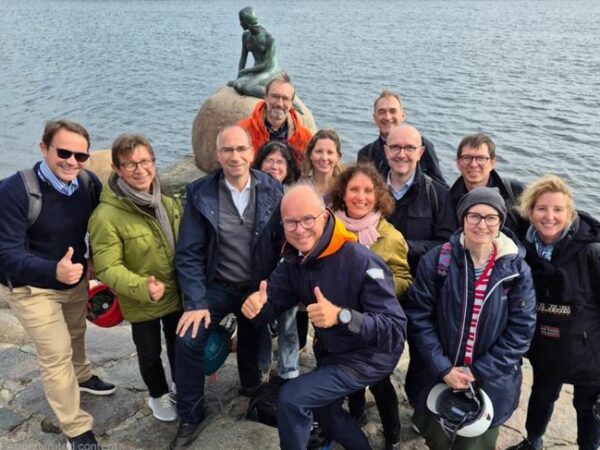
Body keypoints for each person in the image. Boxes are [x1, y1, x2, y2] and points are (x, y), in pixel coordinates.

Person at [242, 184, 407, 450]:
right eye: (291, 222)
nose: (300, 229)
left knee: (293, 397)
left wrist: (342, 316)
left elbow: (395, 329)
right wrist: (256, 307)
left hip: (371, 355)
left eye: (308, 219)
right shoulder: (294, 260)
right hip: (333, 352)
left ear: (326, 215)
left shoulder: (360, 260)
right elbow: (271, 300)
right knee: (323, 409)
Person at [0, 119, 115, 450]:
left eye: (81, 156)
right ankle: (76, 428)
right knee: (56, 354)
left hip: (73, 278)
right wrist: (54, 272)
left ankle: (82, 376)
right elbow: (5, 254)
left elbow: (101, 224)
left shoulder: (88, 184)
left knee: (77, 333)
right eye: (63, 152)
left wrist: (96, 262)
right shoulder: (15, 191)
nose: (72, 162)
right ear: (44, 148)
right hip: (29, 287)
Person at [170, 125, 284, 449]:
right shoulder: (200, 193)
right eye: (227, 150)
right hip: (215, 287)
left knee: (253, 334)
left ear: (252, 151)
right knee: (188, 340)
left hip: (256, 286)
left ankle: (250, 389)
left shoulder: (273, 191)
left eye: (240, 149)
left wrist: (269, 292)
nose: (235, 156)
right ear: (218, 155)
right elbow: (189, 254)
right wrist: (195, 302)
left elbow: (283, 248)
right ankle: (191, 414)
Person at [405, 187, 536, 449]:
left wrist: (476, 372)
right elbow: (419, 318)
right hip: (437, 373)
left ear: (500, 222)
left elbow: (521, 331)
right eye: (474, 216)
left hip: (490, 381)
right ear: (462, 219)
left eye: (490, 217)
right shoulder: (436, 260)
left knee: (475, 444)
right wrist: (444, 368)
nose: (481, 224)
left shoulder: (516, 270)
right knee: (437, 438)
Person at [88, 134, 182, 423]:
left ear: (154, 162)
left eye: (145, 161)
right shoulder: (106, 215)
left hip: (176, 292)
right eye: (130, 165)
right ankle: (158, 394)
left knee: (179, 344)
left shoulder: (166, 202)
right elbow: (106, 266)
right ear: (117, 169)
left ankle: (181, 386)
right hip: (141, 298)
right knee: (150, 350)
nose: (140, 170)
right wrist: (141, 287)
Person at [507, 175, 600, 450]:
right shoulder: (523, 250)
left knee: (588, 409)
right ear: (529, 211)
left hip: (590, 354)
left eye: (558, 210)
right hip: (545, 347)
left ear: (569, 212)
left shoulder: (592, 252)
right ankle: (533, 442)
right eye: (542, 209)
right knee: (542, 397)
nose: (550, 216)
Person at [329, 164, 412, 450]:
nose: (360, 196)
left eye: (368, 190)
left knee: (379, 382)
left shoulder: (390, 237)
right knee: (346, 376)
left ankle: (393, 436)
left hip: (376, 325)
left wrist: (375, 290)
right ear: (343, 192)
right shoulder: (329, 228)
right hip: (339, 322)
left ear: (378, 196)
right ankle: (357, 414)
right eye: (354, 189)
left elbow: (404, 279)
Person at [253, 140, 301, 382]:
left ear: (288, 167)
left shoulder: (293, 196)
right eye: (268, 160)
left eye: (280, 161)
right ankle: (262, 365)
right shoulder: (250, 193)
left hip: (287, 268)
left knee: (288, 322)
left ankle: (289, 368)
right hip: (258, 270)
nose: (274, 166)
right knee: (260, 320)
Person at [384, 124, 457, 275]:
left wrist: (408, 247)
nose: (402, 154)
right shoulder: (368, 191)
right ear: (386, 151)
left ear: (420, 153)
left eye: (409, 148)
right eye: (395, 147)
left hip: (419, 285)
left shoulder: (439, 195)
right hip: (372, 282)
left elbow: (448, 245)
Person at [356, 90, 446, 186]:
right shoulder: (366, 154)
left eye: (392, 111)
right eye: (382, 112)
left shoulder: (422, 145)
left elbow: (440, 187)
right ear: (375, 118)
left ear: (403, 115)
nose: (387, 117)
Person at [450, 133, 528, 240]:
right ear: (458, 163)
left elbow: (533, 236)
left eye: (481, 158)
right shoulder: (447, 200)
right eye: (467, 158)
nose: (473, 164)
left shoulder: (515, 192)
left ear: (492, 163)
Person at [238, 72, 313, 167]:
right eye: (275, 97)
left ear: (291, 103)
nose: (279, 104)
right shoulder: (243, 131)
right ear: (266, 97)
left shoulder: (304, 137)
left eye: (285, 98)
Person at [227, 6, 281, 99]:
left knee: (249, 88)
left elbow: (266, 64)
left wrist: (246, 71)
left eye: (241, 20)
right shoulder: (246, 36)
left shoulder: (269, 38)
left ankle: (277, 97)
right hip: (256, 70)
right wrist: (239, 76)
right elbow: (243, 58)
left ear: (247, 21)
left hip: (269, 70)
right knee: (237, 85)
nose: (240, 24)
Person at [299, 128, 344, 199]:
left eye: (330, 152)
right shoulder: (299, 186)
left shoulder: (345, 188)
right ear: (310, 154)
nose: (324, 158)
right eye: (319, 151)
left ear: (338, 157)